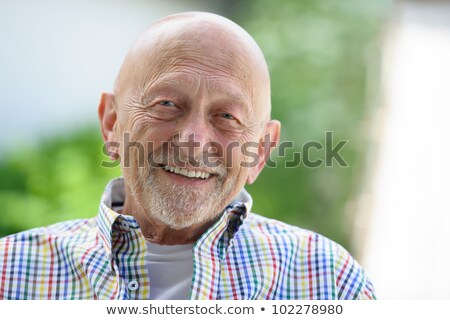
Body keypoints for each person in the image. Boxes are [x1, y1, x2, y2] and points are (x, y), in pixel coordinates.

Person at [0, 12, 375, 300]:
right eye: (167, 104)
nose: (194, 140)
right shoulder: (10, 275)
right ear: (112, 123)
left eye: (227, 116)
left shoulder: (329, 282)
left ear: (261, 150)